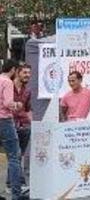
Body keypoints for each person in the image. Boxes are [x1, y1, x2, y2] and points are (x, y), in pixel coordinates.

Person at [0, 61, 24, 200]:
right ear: (13, 70)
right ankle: (16, 194)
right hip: (4, 120)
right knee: (14, 156)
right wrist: (18, 105)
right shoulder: (7, 82)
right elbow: (8, 103)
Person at [11, 63, 31, 194]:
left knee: (19, 156)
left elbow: (28, 108)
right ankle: (17, 183)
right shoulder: (7, 86)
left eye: (29, 73)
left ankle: (14, 183)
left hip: (24, 125)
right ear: (18, 72)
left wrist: (30, 121)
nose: (27, 75)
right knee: (14, 155)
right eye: (25, 72)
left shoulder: (28, 90)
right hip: (9, 124)